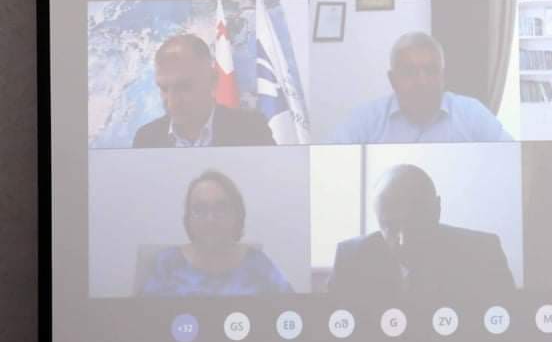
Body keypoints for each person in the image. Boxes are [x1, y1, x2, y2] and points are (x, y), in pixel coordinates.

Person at [327, 164, 516, 301]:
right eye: (390, 226)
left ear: (437, 210)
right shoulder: (350, 258)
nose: (403, 241)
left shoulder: (482, 254)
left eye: (413, 225)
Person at [326, 32, 512, 144]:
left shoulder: (471, 114)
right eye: (409, 72)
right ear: (393, 80)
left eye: (431, 70)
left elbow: (510, 155)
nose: (422, 81)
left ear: (443, 77)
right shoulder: (365, 120)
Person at [140, 170, 292, 296]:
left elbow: (290, 308)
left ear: (237, 215)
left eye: (221, 208)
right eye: (200, 209)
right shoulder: (167, 264)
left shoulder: (259, 265)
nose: (210, 219)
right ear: (188, 219)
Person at [132, 34, 276, 148]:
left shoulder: (251, 129)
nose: (172, 102)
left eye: (184, 87)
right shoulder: (146, 139)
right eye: (164, 89)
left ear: (212, 80)